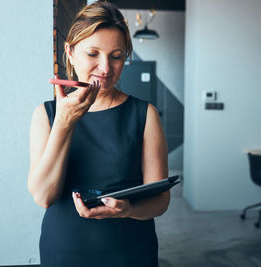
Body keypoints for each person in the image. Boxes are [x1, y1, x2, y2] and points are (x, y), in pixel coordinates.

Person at [27, 2, 169, 266]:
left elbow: (160, 201)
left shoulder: (145, 114)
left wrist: (129, 209)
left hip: (131, 251)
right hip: (64, 250)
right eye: (93, 53)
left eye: (116, 56)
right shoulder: (45, 114)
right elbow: (43, 196)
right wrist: (64, 122)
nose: (105, 68)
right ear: (70, 52)